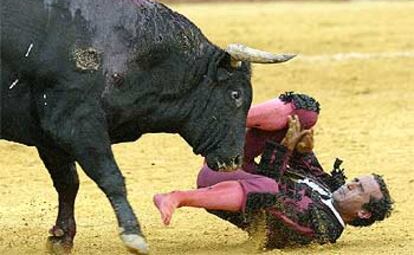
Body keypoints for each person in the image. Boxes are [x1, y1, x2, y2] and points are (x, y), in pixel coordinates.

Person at [153, 92, 393, 249]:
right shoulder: (329, 190)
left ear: (363, 213)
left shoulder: (323, 228)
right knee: (306, 112)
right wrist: (302, 147)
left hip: (220, 188)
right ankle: (226, 116)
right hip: (234, 163)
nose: (350, 183)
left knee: (266, 189)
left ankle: (178, 197)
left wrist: (284, 148)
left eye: (359, 188)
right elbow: (304, 164)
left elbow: (270, 199)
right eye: (355, 180)